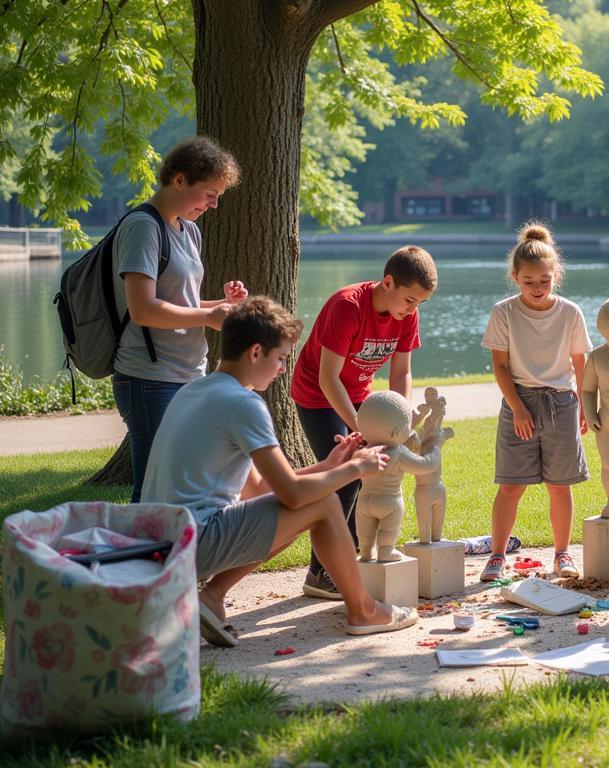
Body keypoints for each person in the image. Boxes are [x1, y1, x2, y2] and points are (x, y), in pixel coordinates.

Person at [140, 296, 418, 646]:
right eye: (282, 358)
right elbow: (293, 496)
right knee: (325, 504)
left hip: (162, 541)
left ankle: (210, 597)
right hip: (191, 543)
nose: (283, 369)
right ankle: (363, 610)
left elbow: (257, 489)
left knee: (307, 503)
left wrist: (330, 466)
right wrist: (357, 469)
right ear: (256, 353)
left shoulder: (195, 390)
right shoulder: (244, 403)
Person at [289, 246, 436, 599]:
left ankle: (354, 559)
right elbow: (328, 378)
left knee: (372, 473)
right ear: (388, 282)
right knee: (344, 477)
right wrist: (361, 427)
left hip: (360, 396)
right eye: (410, 300)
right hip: (318, 396)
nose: (412, 309)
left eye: (418, 304)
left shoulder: (406, 315)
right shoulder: (348, 306)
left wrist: (401, 418)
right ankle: (320, 573)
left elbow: (402, 372)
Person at [114, 136, 247, 502]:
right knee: (152, 490)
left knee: (179, 485)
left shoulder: (188, 230)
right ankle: (137, 558)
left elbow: (178, 301)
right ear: (179, 179)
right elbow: (143, 309)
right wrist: (209, 315)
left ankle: (174, 556)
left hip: (188, 373)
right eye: (209, 193)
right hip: (150, 379)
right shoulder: (143, 226)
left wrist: (222, 304)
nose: (215, 204)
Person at [479, 222, 592, 582]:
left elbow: (580, 363)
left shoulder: (571, 312)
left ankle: (562, 554)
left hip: (561, 403)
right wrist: (518, 407)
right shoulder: (504, 312)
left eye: (544, 280)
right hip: (519, 400)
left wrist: (586, 407)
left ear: (555, 275)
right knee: (511, 484)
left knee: (560, 485)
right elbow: (499, 366)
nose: (537, 287)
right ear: (515, 277)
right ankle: (497, 557)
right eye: (529, 281)